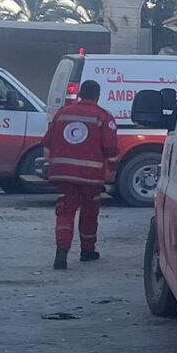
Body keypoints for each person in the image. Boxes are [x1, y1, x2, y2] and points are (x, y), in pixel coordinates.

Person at [44, 79, 119, 270]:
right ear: (97, 95)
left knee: (65, 212)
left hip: (63, 174)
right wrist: (112, 166)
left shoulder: (62, 113)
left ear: (80, 94)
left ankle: (62, 249)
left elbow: (48, 141)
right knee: (89, 213)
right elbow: (110, 146)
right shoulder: (102, 116)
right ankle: (87, 250)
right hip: (90, 176)